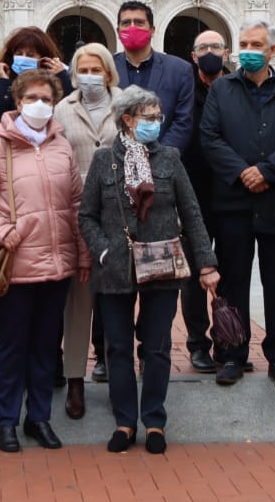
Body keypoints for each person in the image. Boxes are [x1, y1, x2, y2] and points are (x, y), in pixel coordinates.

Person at [80, 86, 219, 454]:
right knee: (118, 348)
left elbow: (191, 212)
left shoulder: (170, 158)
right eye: (149, 117)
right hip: (115, 268)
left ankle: (154, 420)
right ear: (128, 119)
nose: (156, 123)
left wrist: (206, 263)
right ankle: (124, 421)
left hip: (162, 263)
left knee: (157, 348)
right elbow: (87, 216)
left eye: (159, 117)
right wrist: (104, 251)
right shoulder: (104, 160)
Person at [0, 69, 88, 452]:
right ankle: (6, 421)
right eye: (32, 97)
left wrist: (82, 253)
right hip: (15, 266)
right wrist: (2, 230)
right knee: (12, 346)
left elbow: (76, 204)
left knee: (46, 347)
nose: (39, 105)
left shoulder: (61, 146)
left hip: (57, 264)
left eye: (47, 99)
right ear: (17, 102)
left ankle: (38, 418)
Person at [198, 20, 275, 386]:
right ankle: (232, 352)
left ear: (272, 51)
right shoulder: (222, 89)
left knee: (274, 282)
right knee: (233, 281)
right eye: (244, 43)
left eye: (256, 44)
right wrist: (242, 172)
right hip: (233, 202)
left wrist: (266, 171)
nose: (248, 50)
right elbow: (209, 137)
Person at [52, 42, 121, 419]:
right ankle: (74, 379)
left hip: (118, 214)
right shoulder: (62, 108)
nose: (89, 75)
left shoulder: (126, 103)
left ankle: (117, 375)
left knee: (116, 302)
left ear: (108, 72)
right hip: (76, 213)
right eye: (83, 69)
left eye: (96, 69)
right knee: (77, 304)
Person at [178, 30, 228, 374]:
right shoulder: (184, 91)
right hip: (190, 194)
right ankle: (198, 345)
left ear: (226, 52)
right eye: (203, 47)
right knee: (193, 276)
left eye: (216, 47)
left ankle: (229, 341)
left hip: (230, 194)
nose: (210, 52)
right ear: (193, 56)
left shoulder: (235, 89)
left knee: (231, 273)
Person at [113, 1, 195, 151]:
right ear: (118, 31)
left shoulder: (179, 70)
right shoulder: (107, 68)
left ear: (152, 30)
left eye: (139, 22)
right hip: (117, 158)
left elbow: (182, 122)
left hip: (164, 159)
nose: (132, 28)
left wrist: (159, 157)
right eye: (126, 23)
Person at [0, 26, 72, 119]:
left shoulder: (53, 83)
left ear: (44, 59)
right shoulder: (7, 83)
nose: (23, 58)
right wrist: (3, 82)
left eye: (30, 55)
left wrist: (62, 76)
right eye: (19, 54)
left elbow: (69, 106)